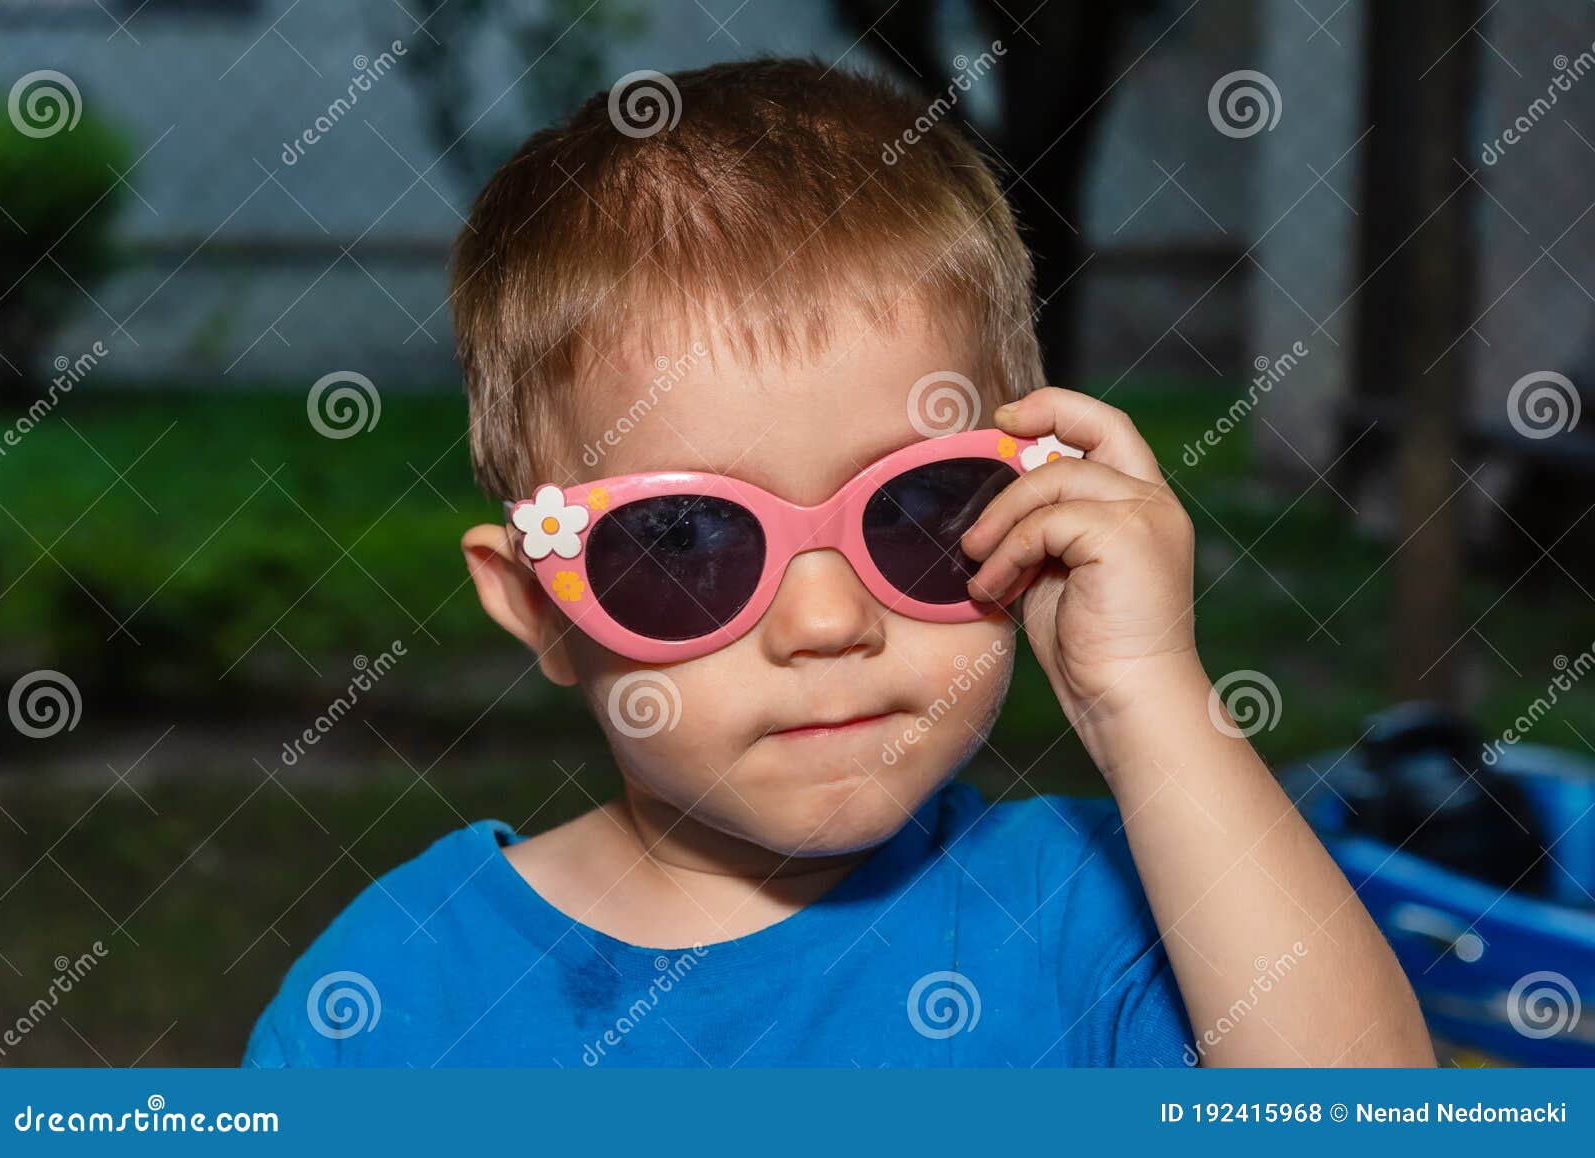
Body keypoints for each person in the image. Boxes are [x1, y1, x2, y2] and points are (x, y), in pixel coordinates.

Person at [244, 58, 1432, 1068]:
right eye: (683, 540)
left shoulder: (1112, 915)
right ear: (539, 606)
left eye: (915, 510)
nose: (825, 622)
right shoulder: (400, 1001)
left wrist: (1148, 693)